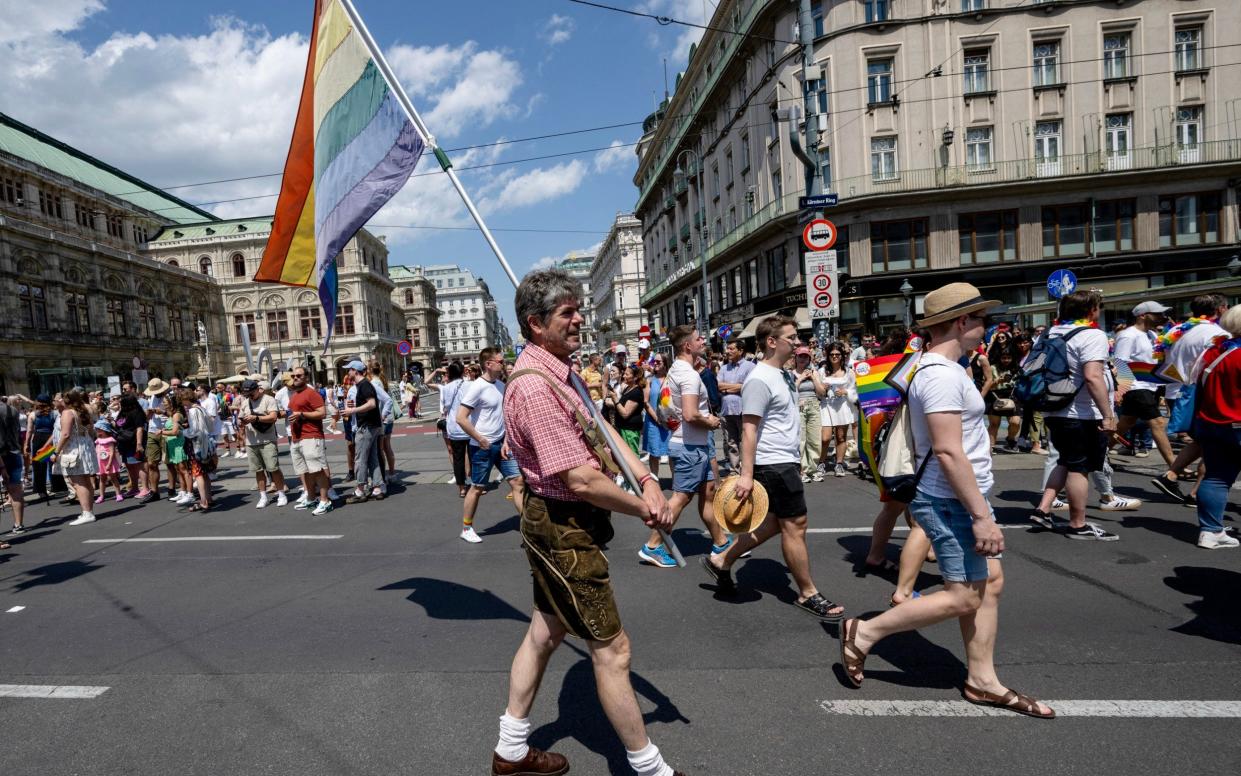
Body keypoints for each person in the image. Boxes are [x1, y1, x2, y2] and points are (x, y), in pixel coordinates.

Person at [495, 268, 684, 776]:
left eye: (578, 309)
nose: (580, 318)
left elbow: (603, 431)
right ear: (536, 323)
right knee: (613, 650)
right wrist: (645, 506)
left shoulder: (561, 367)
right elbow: (580, 478)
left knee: (544, 634)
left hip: (566, 524)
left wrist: (644, 477)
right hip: (563, 528)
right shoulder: (535, 387)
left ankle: (510, 751)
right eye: (568, 313)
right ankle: (651, 769)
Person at [835, 283, 1054, 719]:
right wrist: (981, 516)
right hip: (950, 499)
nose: (985, 328)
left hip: (960, 496)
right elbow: (949, 450)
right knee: (964, 596)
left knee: (989, 584)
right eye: (980, 320)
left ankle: (981, 680)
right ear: (960, 322)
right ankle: (865, 631)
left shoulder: (949, 369)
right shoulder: (938, 374)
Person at [702, 314, 846, 621]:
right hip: (774, 463)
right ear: (771, 341)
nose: (797, 342)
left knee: (775, 523)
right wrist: (746, 475)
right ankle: (807, 593)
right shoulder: (759, 380)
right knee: (796, 524)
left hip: (786, 460)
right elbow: (749, 430)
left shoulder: (781, 374)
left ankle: (721, 560)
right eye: (791, 338)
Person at [1030, 290, 1119, 541]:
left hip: (1053, 407)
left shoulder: (1049, 332)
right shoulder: (1092, 335)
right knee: (1079, 468)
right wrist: (1108, 414)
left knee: (1066, 460)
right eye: (1098, 308)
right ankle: (1078, 524)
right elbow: (1092, 376)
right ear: (1091, 311)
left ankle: (1044, 509)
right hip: (1080, 412)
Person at [640, 324, 726, 568]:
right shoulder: (687, 374)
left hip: (694, 445)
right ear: (688, 345)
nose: (703, 341)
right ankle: (653, 546)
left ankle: (721, 542)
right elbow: (689, 414)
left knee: (708, 493)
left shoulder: (677, 369)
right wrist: (709, 420)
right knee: (680, 498)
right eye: (699, 339)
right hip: (689, 446)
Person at [1150, 294, 1230, 503]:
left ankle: (1174, 477)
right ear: (1220, 309)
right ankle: (1196, 493)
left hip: (1181, 389)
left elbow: (1162, 358)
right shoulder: (1218, 333)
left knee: (1204, 441)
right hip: (1203, 391)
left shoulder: (1178, 331)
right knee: (1213, 441)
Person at [456, 347, 524, 543]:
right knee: (477, 487)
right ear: (489, 364)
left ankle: (528, 526)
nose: (503, 364)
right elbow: (461, 418)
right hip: (482, 446)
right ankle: (466, 528)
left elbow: (505, 417)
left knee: (517, 482)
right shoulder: (477, 387)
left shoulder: (501, 385)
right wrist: (480, 438)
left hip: (502, 444)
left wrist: (506, 440)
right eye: (500, 361)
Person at [1189, 303, 1241, 549]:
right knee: (1218, 478)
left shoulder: (1215, 353)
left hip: (1211, 423)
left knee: (1216, 477)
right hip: (1236, 424)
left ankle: (1211, 531)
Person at [1111, 301, 1175, 466]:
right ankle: (1175, 467)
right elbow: (1120, 363)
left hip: (1149, 386)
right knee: (1158, 423)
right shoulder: (1127, 335)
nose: (1163, 317)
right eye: (1158, 313)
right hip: (1135, 387)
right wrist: (1120, 391)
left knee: (1125, 424)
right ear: (1143, 315)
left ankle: (1097, 452)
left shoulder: (1152, 335)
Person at [286, 367, 333, 516]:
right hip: (297, 437)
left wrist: (302, 414)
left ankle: (325, 501)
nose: (295, 378)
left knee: (317, 470)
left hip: (311, 436)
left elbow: (321, 413)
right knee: (304, 471)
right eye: (293, 376)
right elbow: (292, 413)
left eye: (299, 375)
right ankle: (312, 498)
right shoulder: (294, 395)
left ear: (306, 376)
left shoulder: (312, 393)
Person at [238, 379, 289, 508]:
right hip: (251, 441)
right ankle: (263, 496)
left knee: (273, 468)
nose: (249, 396)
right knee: (258, 470)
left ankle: (281, 493)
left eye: (251, 393)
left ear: (257, 390)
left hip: (267, 440)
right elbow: (240, 420)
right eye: (246, 394)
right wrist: (241, 422)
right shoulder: (245, 403)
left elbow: (273, 417)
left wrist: (256, 418)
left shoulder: (268, 399)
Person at [342, 361, 385, 502]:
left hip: (366, 426)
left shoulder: (364, 385)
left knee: (360, 459)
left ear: (355, 371)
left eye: (349, 370)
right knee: (373, 458)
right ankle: (378, 488)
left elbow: (371, 403)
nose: (348, 373)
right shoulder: (365, 384)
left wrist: (352, 410)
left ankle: (360, 490)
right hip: (373, 425)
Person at [57, 388, 99, 525]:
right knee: (86, 480)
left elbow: (65, 434)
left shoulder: (67, 412)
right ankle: (88, 511)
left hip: (74, 448)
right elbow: (92, 430)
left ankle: (87, 512)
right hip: (86, 445)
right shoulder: (85, 410)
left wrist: (55, 452)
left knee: (78, 482)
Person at [818, 342, 856, 477]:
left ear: (842, 356)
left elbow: (854, 390)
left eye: (837, 354)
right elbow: (818, 391)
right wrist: (823, 388)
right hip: (826, 406)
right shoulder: (822, 371)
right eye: (832, 354)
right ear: (828, 356)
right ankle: (821, 461)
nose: (834, 357)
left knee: (841, 436)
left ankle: (839, 463)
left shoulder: (849, 372)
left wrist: (845, 391)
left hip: (843, 407)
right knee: (825, 437)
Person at [717, 338, 755, 473]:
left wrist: (727, 388)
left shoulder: (750, 367)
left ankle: (746, 469)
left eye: (732, 348)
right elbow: (719, 385)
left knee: (745, 441)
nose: (728, 351)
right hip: (726, 410)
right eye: (728, 348)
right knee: (731, 441)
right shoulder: (723, 368)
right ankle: (734, 470)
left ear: (740, 350)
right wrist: (736, 387)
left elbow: (748, 386)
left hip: (743, 409)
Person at [791, 346, 827, 482]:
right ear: (795, 358)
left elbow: (822, 392)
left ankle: (813, 469)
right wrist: (800, 379)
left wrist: (813, 378)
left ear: (809, 359)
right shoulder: (791, 373)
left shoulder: (814, 372)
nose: (802, 359)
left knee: (815, 440)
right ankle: (802, 470)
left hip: (813, 405)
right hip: (799, 406)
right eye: (800, 356)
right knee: (801, 440)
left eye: (805, 357)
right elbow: (790, 392)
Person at [986, 344, 1022, 452]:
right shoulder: (992, 368)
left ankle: (1011, 439)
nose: (1006, 360)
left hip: (1012, 395)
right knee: (994, 424)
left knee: (1015, 422)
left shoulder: (1016, 368)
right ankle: (990, 447)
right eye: (1003, 358)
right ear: (999, 358)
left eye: (1008, 358)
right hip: (995, 395)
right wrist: (998, 381)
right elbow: (987, 385)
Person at [641, 355, 671, 482]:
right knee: (654, 453)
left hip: (670, 421)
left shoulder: (671, 379)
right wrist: (657, 419)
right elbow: (646, 402)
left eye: (658, 361)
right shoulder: (649, 380)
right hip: (653, 422)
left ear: (665, 363)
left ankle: (676, 482)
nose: (655, 363)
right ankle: (654, 480)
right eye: (654, 361)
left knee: (672, 452)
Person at [0, 397, 26, 538]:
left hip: (2, 454)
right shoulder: (13, 410)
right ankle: (18, 524)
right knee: (16, 490)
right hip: (14, 451)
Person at [140, 379, 169, 503]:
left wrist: (161, 411)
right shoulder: (151, 398)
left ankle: (172, 489)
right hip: (152, 431)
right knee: (151, 463)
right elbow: (148, 417)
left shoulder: (168, 397)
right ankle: (154, 491)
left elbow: (175, 414)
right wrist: (148, 414)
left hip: (166, 431)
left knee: (170, 463)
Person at [613, 364, 647, 458]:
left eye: (627, 374)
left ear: (635, 377)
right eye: (624, 374)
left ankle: (637, 473)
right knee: (624, 456)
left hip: (630, 430)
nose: (624, 376)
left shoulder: (636, 392)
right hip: (623, 427)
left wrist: (615, 399)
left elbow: (625, 413)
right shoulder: (628, 388)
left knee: (632, 456)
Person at [92, 418, 123, 503]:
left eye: (99, 430)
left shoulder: (110, 440)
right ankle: (101, 496)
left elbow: (112, 452)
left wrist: (109, 463)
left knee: (113, 478)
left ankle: (118, 494)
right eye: (97, 430)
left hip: (109, 462)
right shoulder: (97, 440)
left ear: (105, 430)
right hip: (100, 462)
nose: (98, 432)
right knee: (102, 479)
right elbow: (96, 451)